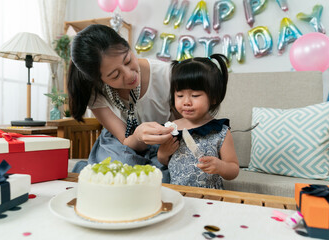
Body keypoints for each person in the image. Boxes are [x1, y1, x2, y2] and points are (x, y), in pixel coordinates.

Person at [67, 24, 175, 182]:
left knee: (160, 177)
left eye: (128, 60)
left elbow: (187, 123)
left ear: (128, 46)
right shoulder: (95, 91)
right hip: (122, 142)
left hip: (166, 141)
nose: (129, 75)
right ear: (99, 80)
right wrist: (138, 136)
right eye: (115, 75)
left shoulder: (167, 75)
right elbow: (126, 140)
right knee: (118, 174)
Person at [157, 54, 239, 189]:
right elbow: (164, 161)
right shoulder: (172, 129)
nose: (186, 102)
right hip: (178, 194)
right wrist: (162, 154)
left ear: (213, 97)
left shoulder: (220, 131)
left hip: (211, 197)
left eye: (195, 95)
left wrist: (220, 166)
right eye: (180, 95)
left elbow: (233, 169)